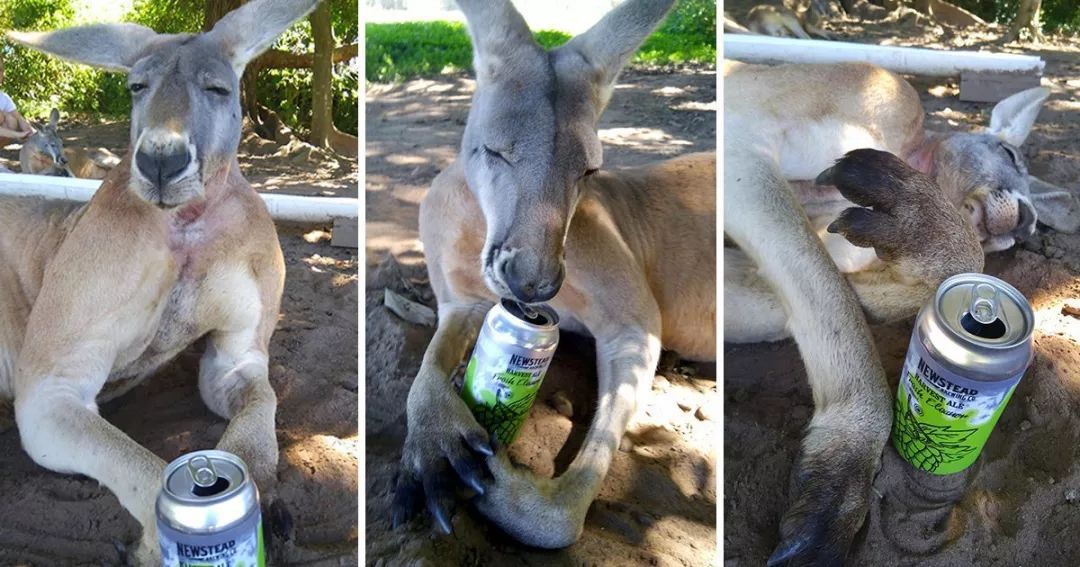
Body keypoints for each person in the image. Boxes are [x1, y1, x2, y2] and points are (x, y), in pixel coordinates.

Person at [0, 59, 34, 146]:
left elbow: (19, 118)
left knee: (11, 119)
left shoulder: (4, 98)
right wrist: (17, 134)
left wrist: (30, 132)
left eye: (0, 69)